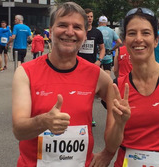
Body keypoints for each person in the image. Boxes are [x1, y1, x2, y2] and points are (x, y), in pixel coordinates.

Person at [91, 7, 159, 167]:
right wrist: (120, 124)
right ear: (125, 41)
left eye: (146, 33)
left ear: (156, 40)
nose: (139, 39)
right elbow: (111, 145)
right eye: (132, 33)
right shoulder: (116, 86)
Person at [12, 2, 112, 167]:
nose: (70, 32)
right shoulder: (26, 72)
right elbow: (19, 130)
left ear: (85, 34)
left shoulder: (96, 75)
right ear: (50, 31)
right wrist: (44, 121)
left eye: (77, 27)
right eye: (63, 25)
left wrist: (109, 152)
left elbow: (123, 113)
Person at [77, 8, 106, 127]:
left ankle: (89, 116)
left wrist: (99, 60)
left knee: (89, 93)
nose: (89, 18)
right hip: (77, 67)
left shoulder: (97, 33)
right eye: (87, 16)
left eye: (91, 16)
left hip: (91, 67)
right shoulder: (78, 31)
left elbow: (102, 48)